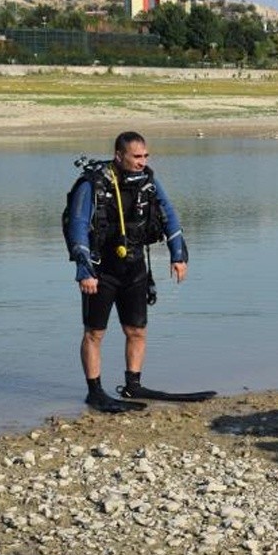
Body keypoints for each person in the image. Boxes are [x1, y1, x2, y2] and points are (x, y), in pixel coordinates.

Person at [65, 131, 191, 413]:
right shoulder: (92, 185)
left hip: (134, 267)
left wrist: (178, 255)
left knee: (137, 330)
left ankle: (133, 384)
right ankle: (94, 391)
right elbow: (77, 226)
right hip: (100, 270)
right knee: (94, 333)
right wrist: (84, 271)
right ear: (119, 155)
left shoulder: (148, 182)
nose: (142, 162)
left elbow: (169, 215)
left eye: (145, 156)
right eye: (136, 156)